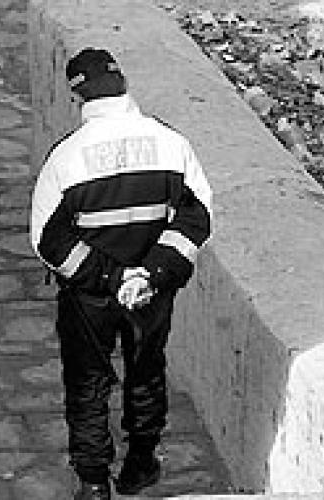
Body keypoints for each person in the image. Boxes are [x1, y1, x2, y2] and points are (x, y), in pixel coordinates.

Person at [30, 48, 212, 500]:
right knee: (146, 372)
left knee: (88, 381)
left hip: (89, 294)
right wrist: (149, 274)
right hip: (151, 290)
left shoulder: (67, 156)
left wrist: (111, 278)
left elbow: (47, 239)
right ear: (123, 85)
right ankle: (140, 464)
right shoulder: (171, 144)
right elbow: (197, 216)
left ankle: (94, 481)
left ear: (78, 96)